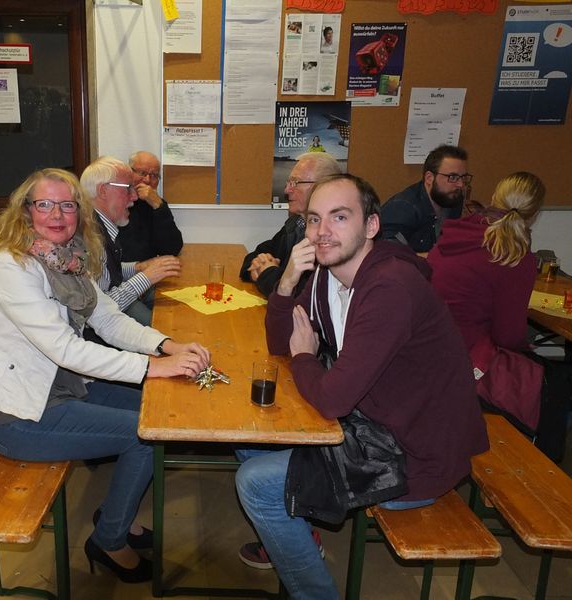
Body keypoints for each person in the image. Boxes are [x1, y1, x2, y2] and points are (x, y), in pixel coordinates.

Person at [235, 174, 488, 598]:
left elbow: (331, 397)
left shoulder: (391, 286)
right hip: (374, 424)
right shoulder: (328, 274)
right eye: (314, 219)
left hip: (413, 455)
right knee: (250, 439)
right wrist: (286, 282)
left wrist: (305, 358)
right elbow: (281, 344)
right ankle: (297, 536)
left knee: (255, 482)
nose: (322, 232)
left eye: (339, 217)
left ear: (371, 226)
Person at [0, 168, 210, 584]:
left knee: (156, 413)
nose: (57, 215)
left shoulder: (68, 258)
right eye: (45, 204)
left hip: (61, 389)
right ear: (25, 211)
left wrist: (166, 345)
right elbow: (65, 349)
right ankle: (109, 538)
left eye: (67, 205)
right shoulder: (12, 266)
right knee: (145, 435)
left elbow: (109, 320)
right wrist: (152, 367)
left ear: (79, 212)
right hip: (15, 413)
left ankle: (116, 513)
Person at [427, 172, 570, 461]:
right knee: (558, 384)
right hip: (466, 361)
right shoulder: (514, 255)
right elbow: (508, 336)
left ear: (494, 197)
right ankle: (545, 468)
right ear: (534, 214)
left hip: (431, 348)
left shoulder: (454, 234)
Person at [81, 156, 181, 326]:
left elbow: (104, 271)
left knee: (178, 306)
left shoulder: (102, 225)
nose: (134, 196)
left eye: (154, 175)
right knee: (165, 327)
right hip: (106, 318)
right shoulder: (86, 236)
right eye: (128, 188)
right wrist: (145, 277)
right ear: (103, 191)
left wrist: (138, 267)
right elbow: (97, 310)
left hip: (122, 292)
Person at [240, 152, 341, 297]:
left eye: (295, 183)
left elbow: (302, 294)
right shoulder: (297, 223)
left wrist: (266, 273)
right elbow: (256, 255)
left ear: (323, 186)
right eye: (288, 183)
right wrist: (257, 267)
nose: (287, 190)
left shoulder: (330, 238)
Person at [380, 144, 471, 253]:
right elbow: (387, 255)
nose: (460, 184)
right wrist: (435, 258)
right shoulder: (403, 208)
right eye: (453, 177)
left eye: (463, 178)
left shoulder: (453, 199)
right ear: (429, 178)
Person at [118, 150, 183, 262]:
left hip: (151, 270)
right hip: (124, 270)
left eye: (154, 175)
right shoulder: (116, 202)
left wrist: (158, 206)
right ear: (129, 172)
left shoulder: (155, 203)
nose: (147, 180)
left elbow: (172, 249)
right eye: (142, 173)